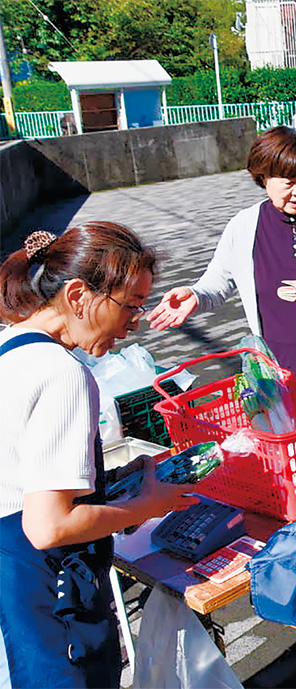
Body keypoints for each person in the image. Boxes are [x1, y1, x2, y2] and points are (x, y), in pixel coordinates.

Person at [0, 224, 198, 688]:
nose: (135, 321)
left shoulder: (10, 347)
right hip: (50, 596)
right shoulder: (63, 374)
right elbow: (48, 527)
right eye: (129, 305)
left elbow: (20, 471)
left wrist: (110, 482)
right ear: (77, 295)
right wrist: (150, 505)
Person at [148, 126, 296, 378]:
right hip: (278, 374)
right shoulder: (243, 226)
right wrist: (195, 295)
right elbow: (217, 282)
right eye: (289, 182)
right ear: (264, 177)